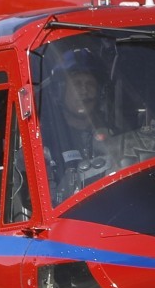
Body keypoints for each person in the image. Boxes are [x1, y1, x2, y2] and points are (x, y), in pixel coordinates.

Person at [41, 48, 115, 200]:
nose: (84, 91)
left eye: (90, 84)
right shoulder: (45, 141)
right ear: (60, 90)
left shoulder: (115, 135)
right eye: (76, 84)